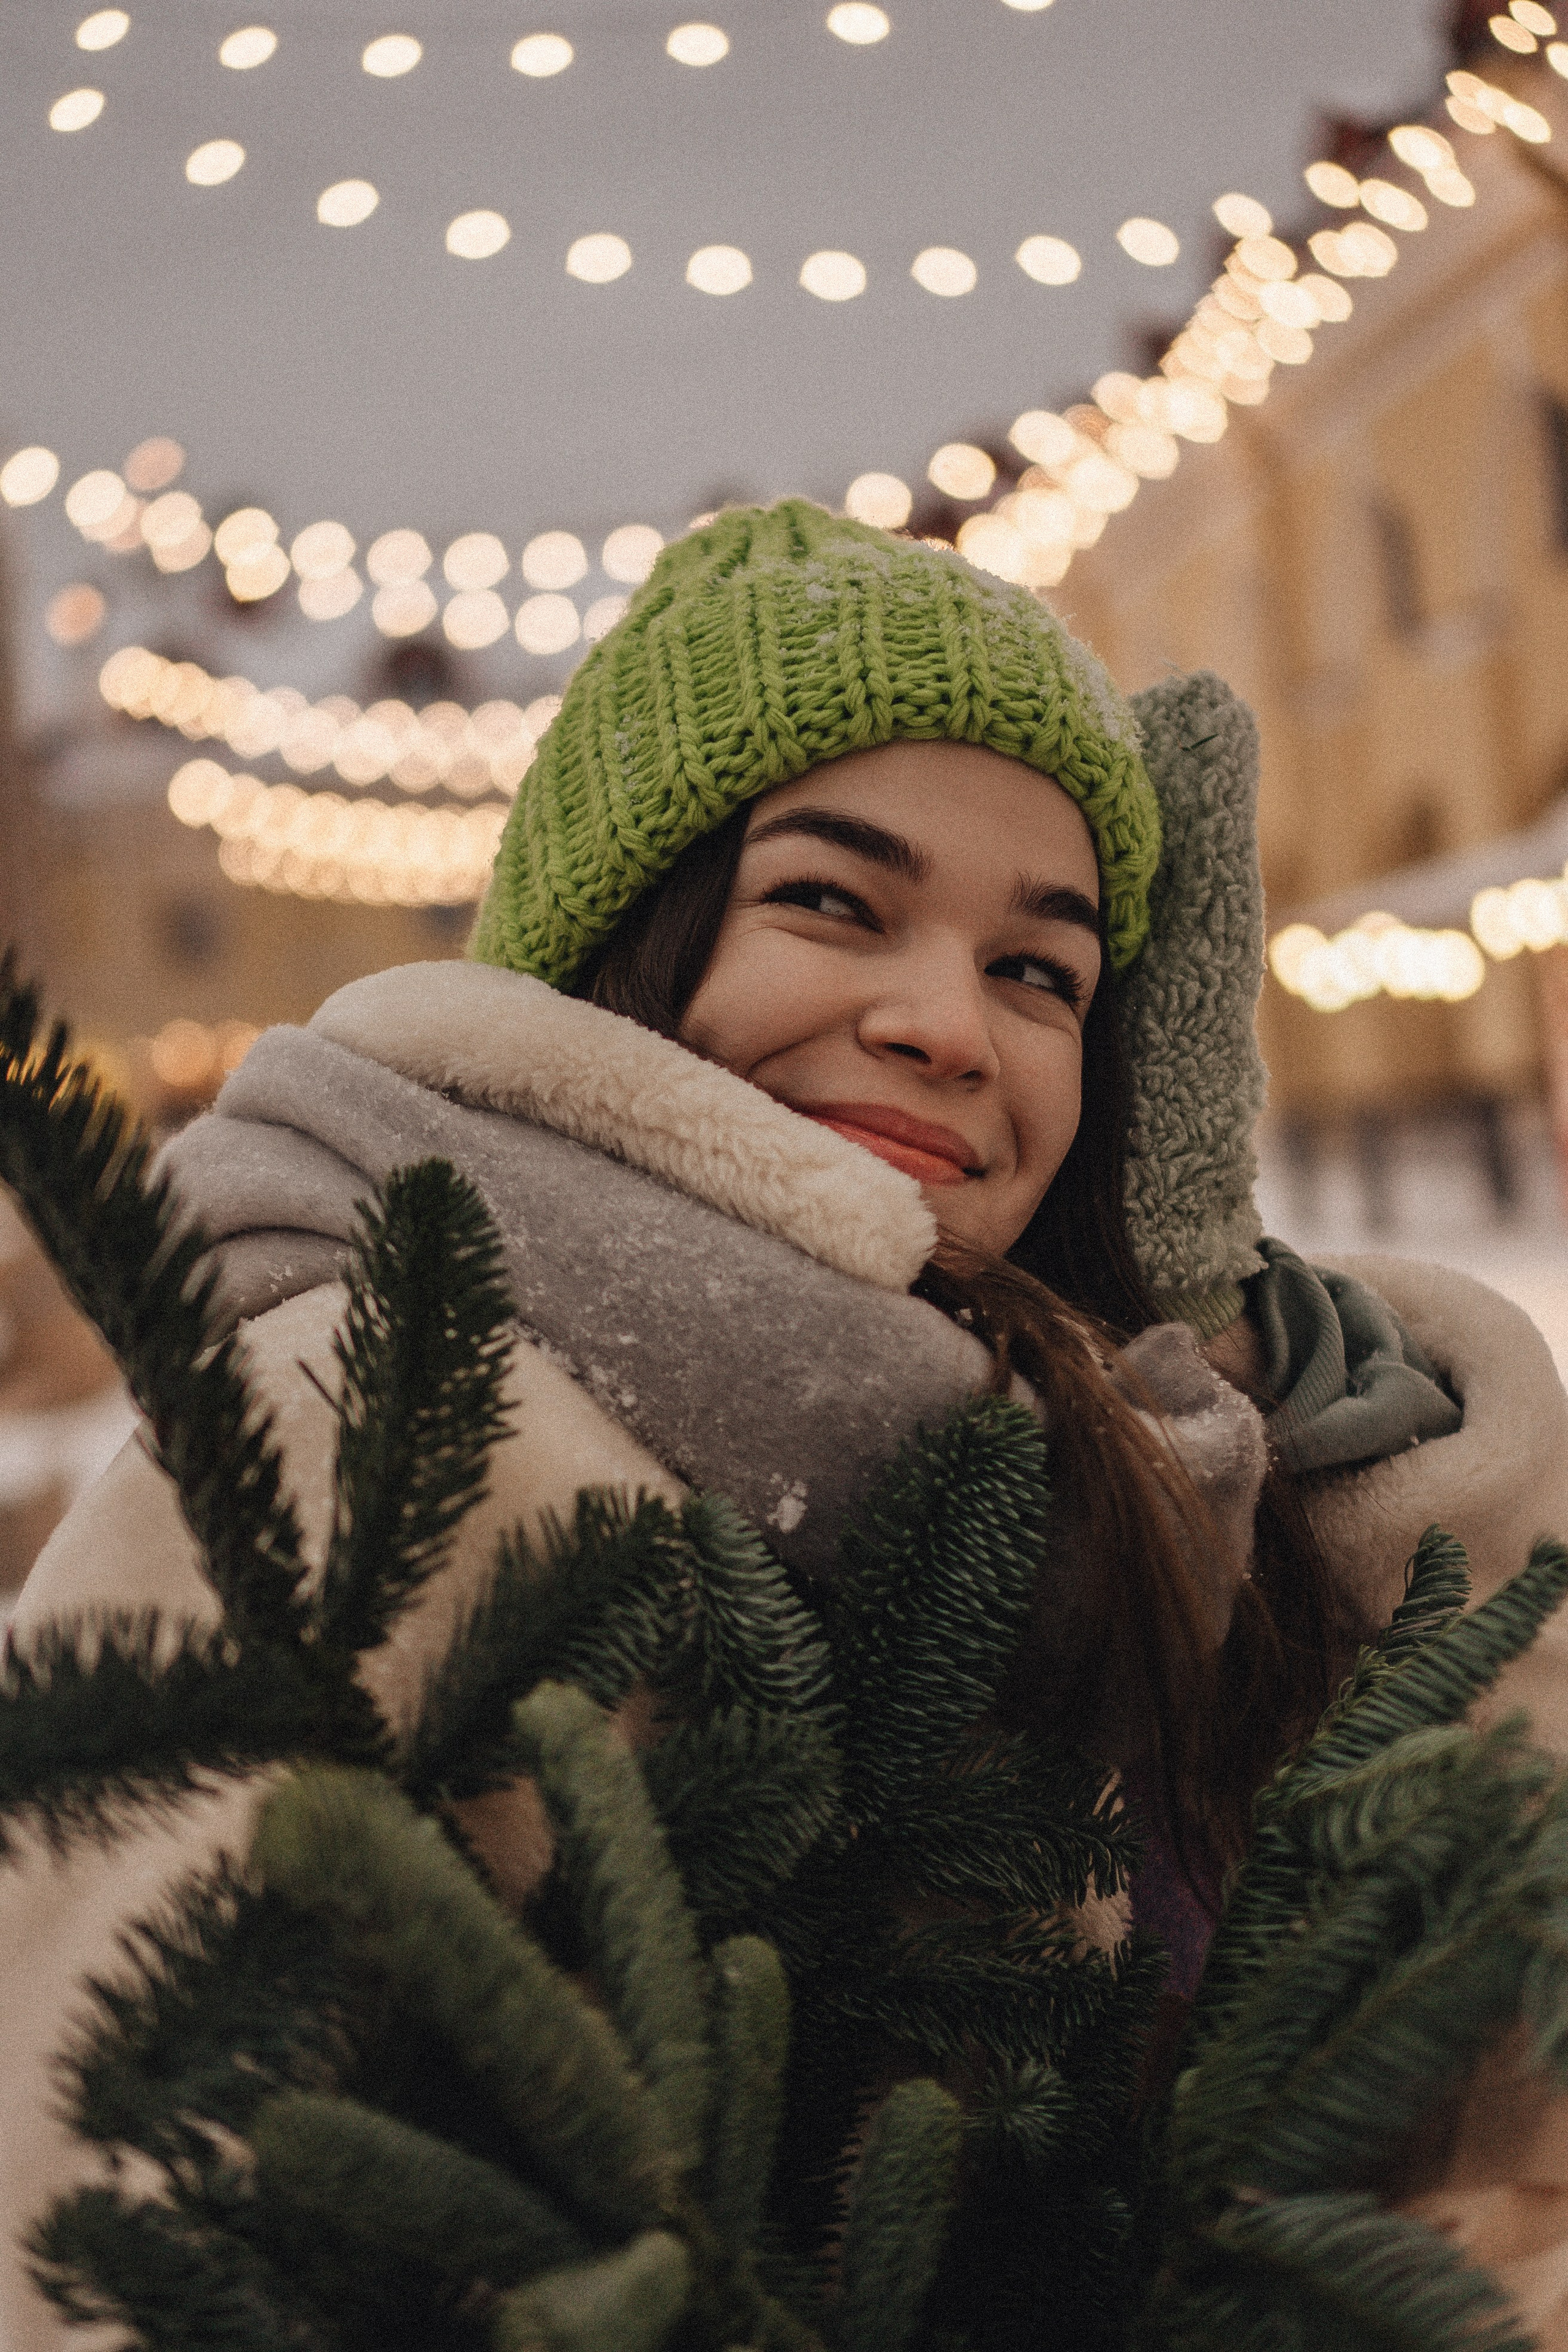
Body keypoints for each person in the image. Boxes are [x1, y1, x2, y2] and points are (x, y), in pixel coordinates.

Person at [4, 497, 1568, 2345]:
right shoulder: (365, 1425)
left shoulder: (1132, 1474)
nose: (948, 1026)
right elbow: (109, 2235)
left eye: (1039, 970)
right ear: (623, 938)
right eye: (834, 901)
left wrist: (1353, 1500)